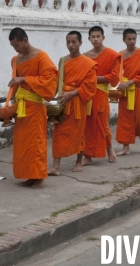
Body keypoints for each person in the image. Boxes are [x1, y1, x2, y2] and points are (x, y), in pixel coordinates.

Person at [8, 28, 58, 189]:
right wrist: (10, 107)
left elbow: (50, 81)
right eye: (13, 47)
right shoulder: (16, 59)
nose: (16, 49)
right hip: (21, 107)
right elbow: (14, 85)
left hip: (35, 107)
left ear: (25, 40)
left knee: (36, 143)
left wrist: (23, 78)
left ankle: (39, 176)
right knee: (23, 143)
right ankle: (28, 175)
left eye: (17, 45)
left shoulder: (41, 57)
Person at [48, 31, 97, 175]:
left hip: (77, 102)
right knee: (58, 133)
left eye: (74, 42)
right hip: (63, 102)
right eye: (68, 42)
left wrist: (72, 93)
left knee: (78, 133)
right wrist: (50, 96)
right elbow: (58, 80)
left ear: (80, 43)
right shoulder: (63, 60)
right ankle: (56, 167)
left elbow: (90, 85)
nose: (70, 45)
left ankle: (78, 161)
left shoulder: (88, 63)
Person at [83, 26, 120, 165]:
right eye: (93, 36)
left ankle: (109, 148)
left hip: (101, 94)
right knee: (87, 125)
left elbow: (114, 77)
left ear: (103, 37)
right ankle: (88, 155)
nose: (96, 39)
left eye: (98, 36)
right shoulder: (85, 56)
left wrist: (94, 79)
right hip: (88, 94)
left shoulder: (111, 55)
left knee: (102, 124)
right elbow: (82, 75)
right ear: (89, 39)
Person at [116, 29, 140, 156]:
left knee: (139, 117)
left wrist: (130, 82)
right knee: (124, 118)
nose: (132, 41)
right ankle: (125, 147)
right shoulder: (120, 54)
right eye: (129, 39)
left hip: (136, 90)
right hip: (125, 92)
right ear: (124, 40)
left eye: (134, 39)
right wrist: (121, 83)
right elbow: (117, 71)